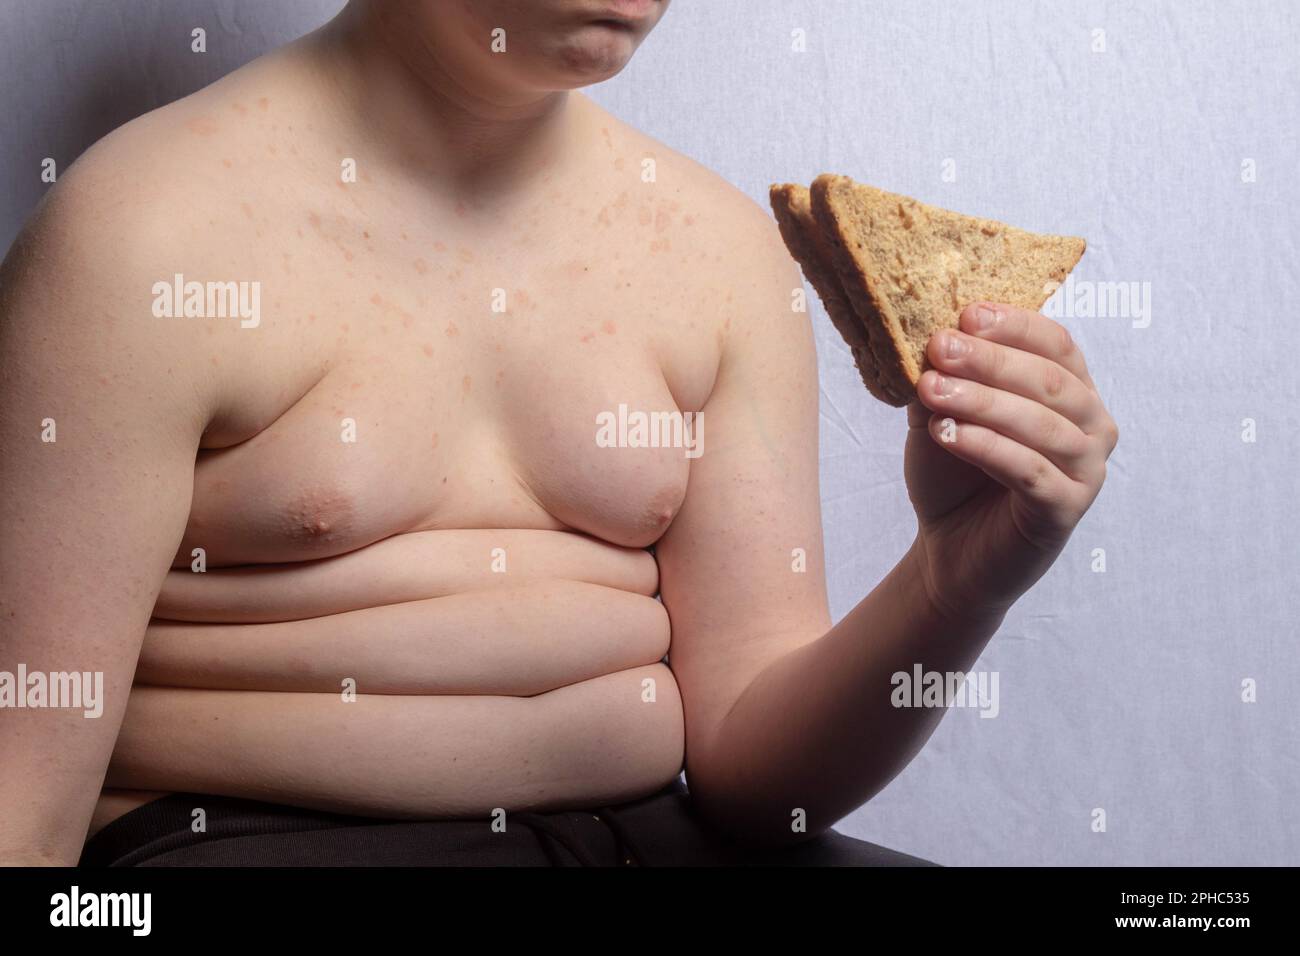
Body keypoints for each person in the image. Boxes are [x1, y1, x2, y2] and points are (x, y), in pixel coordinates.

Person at [0, 0, 1117, 866]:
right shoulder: (144, 239)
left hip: (653, 844)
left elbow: (753, 777)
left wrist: (954, 577)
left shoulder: (714, 252)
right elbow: (22, 808)